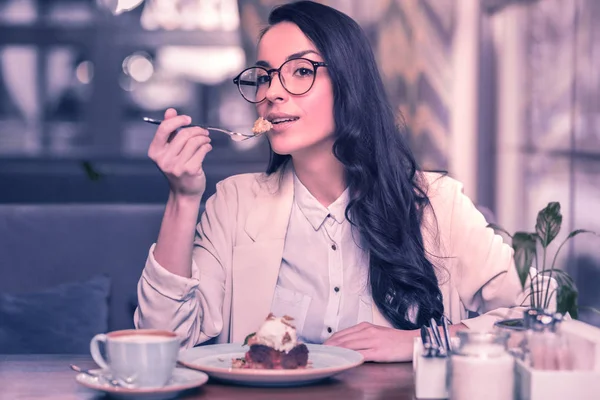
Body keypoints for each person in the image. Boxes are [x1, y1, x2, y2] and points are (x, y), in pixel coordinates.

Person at [134, 0, 526, 362]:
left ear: (349, 83)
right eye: (265, 77)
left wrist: (420, 340)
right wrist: (183, 198)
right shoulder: (234, 204)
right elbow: (162, 344)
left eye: (301, 71)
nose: (272, 93)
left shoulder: (438, 204)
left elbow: (532, 317)